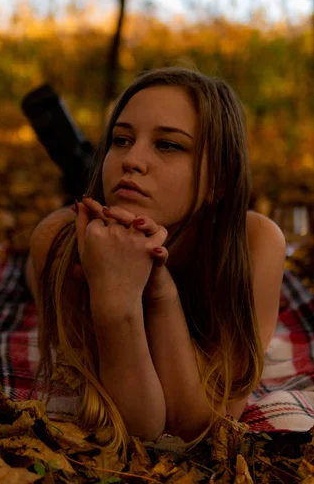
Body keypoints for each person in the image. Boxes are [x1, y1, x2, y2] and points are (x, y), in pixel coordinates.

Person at [26, 66, 286, 457]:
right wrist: (115, 300)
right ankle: (78, 164)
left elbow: (202, 424)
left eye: (168, 145)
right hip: (56, 256)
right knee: (32, 266)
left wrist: (158, 288)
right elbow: (141, 427)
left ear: (218, 180)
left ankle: (78, 159)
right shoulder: (58, 241)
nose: (132, 159)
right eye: (120, 139)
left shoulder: (255, 244)